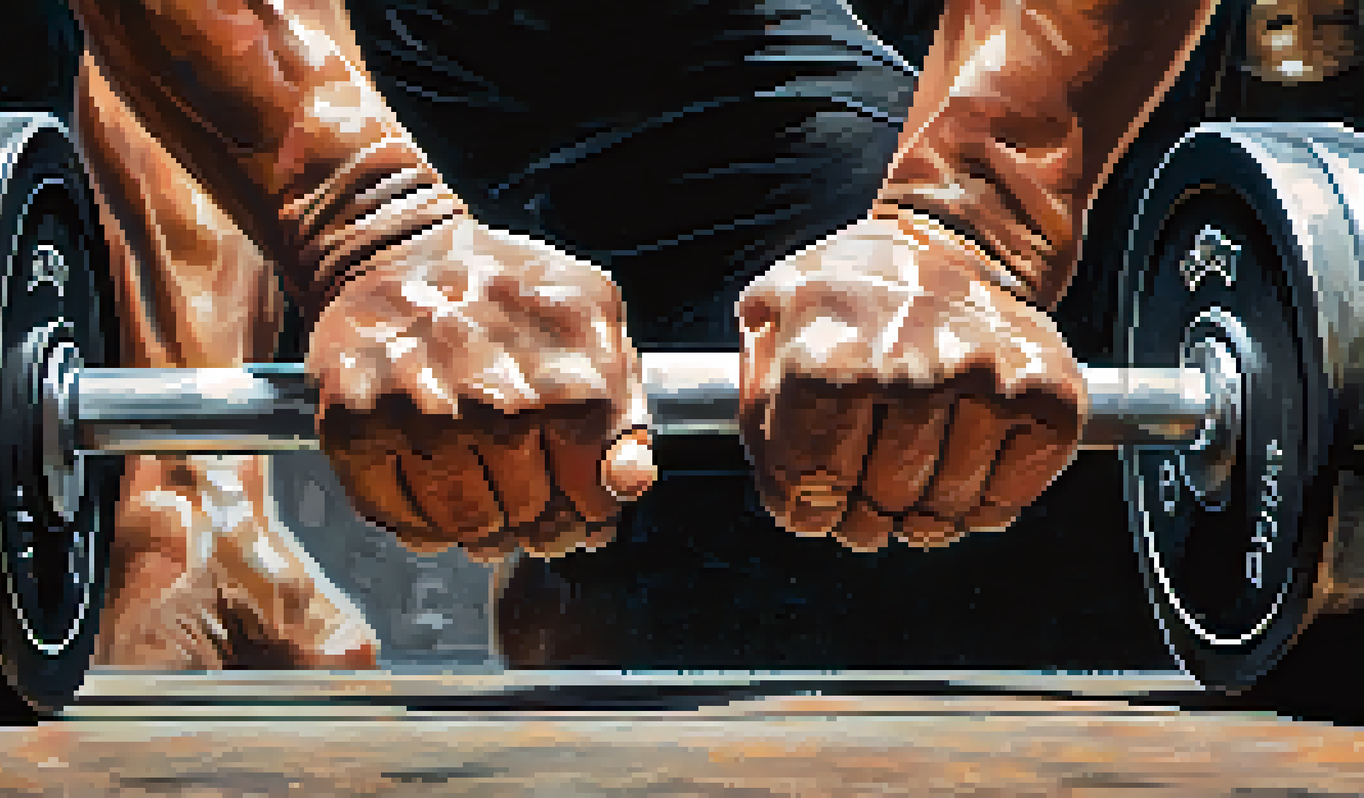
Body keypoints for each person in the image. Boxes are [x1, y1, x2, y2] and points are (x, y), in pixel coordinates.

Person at [67, 0, 1221, 669]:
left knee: (861, 453)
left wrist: (961, 221)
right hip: (342, 26)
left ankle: (588, 627)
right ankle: (184, 523)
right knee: (179, 75)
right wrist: (368, 228)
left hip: (716, 55)